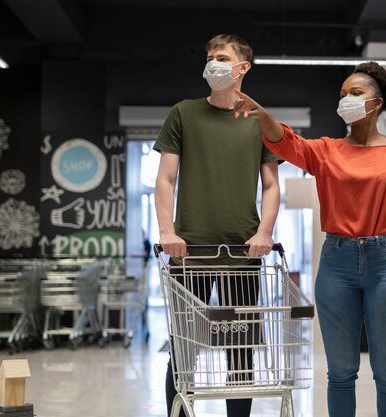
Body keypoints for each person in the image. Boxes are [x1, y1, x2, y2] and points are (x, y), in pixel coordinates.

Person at [232, 61, 386, 417]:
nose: (346, 99)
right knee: (341, 372)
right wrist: (264, 115)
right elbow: (287, 143)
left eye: (355, 93)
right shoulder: (327, 150)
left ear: (376, 104)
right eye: (342, 94)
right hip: (337, 263)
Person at [153, 34, 281, 417]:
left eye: (222, 57)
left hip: (243, 254)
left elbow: (272, 185)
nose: (213, 63)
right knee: (183, 351)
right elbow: (165, 179)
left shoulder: (259, 120)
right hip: (188, 252)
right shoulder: (184, 113)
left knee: (240, 354)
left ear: (243, 68)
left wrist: (264, 232)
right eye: (210, 57)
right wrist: (167, 232)